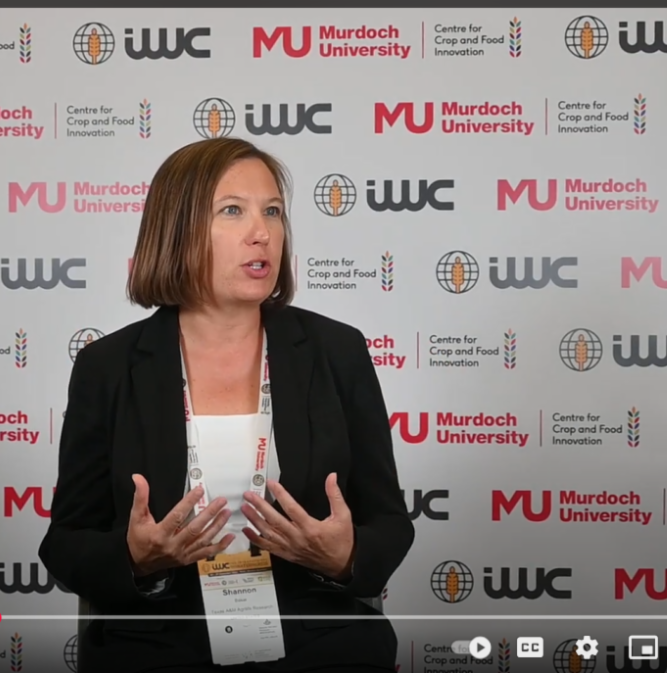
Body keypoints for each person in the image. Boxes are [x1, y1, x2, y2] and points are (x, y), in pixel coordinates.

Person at [39, 137, 414, 672]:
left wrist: (344, 557)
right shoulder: (109, 365)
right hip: (160, 638)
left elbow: (390, 522)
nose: (262, 233)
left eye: (273, 211)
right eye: (233, 211)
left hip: (315, 633)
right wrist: (137, 558)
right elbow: (66, 543)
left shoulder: (337, 350)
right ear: (178, 229)